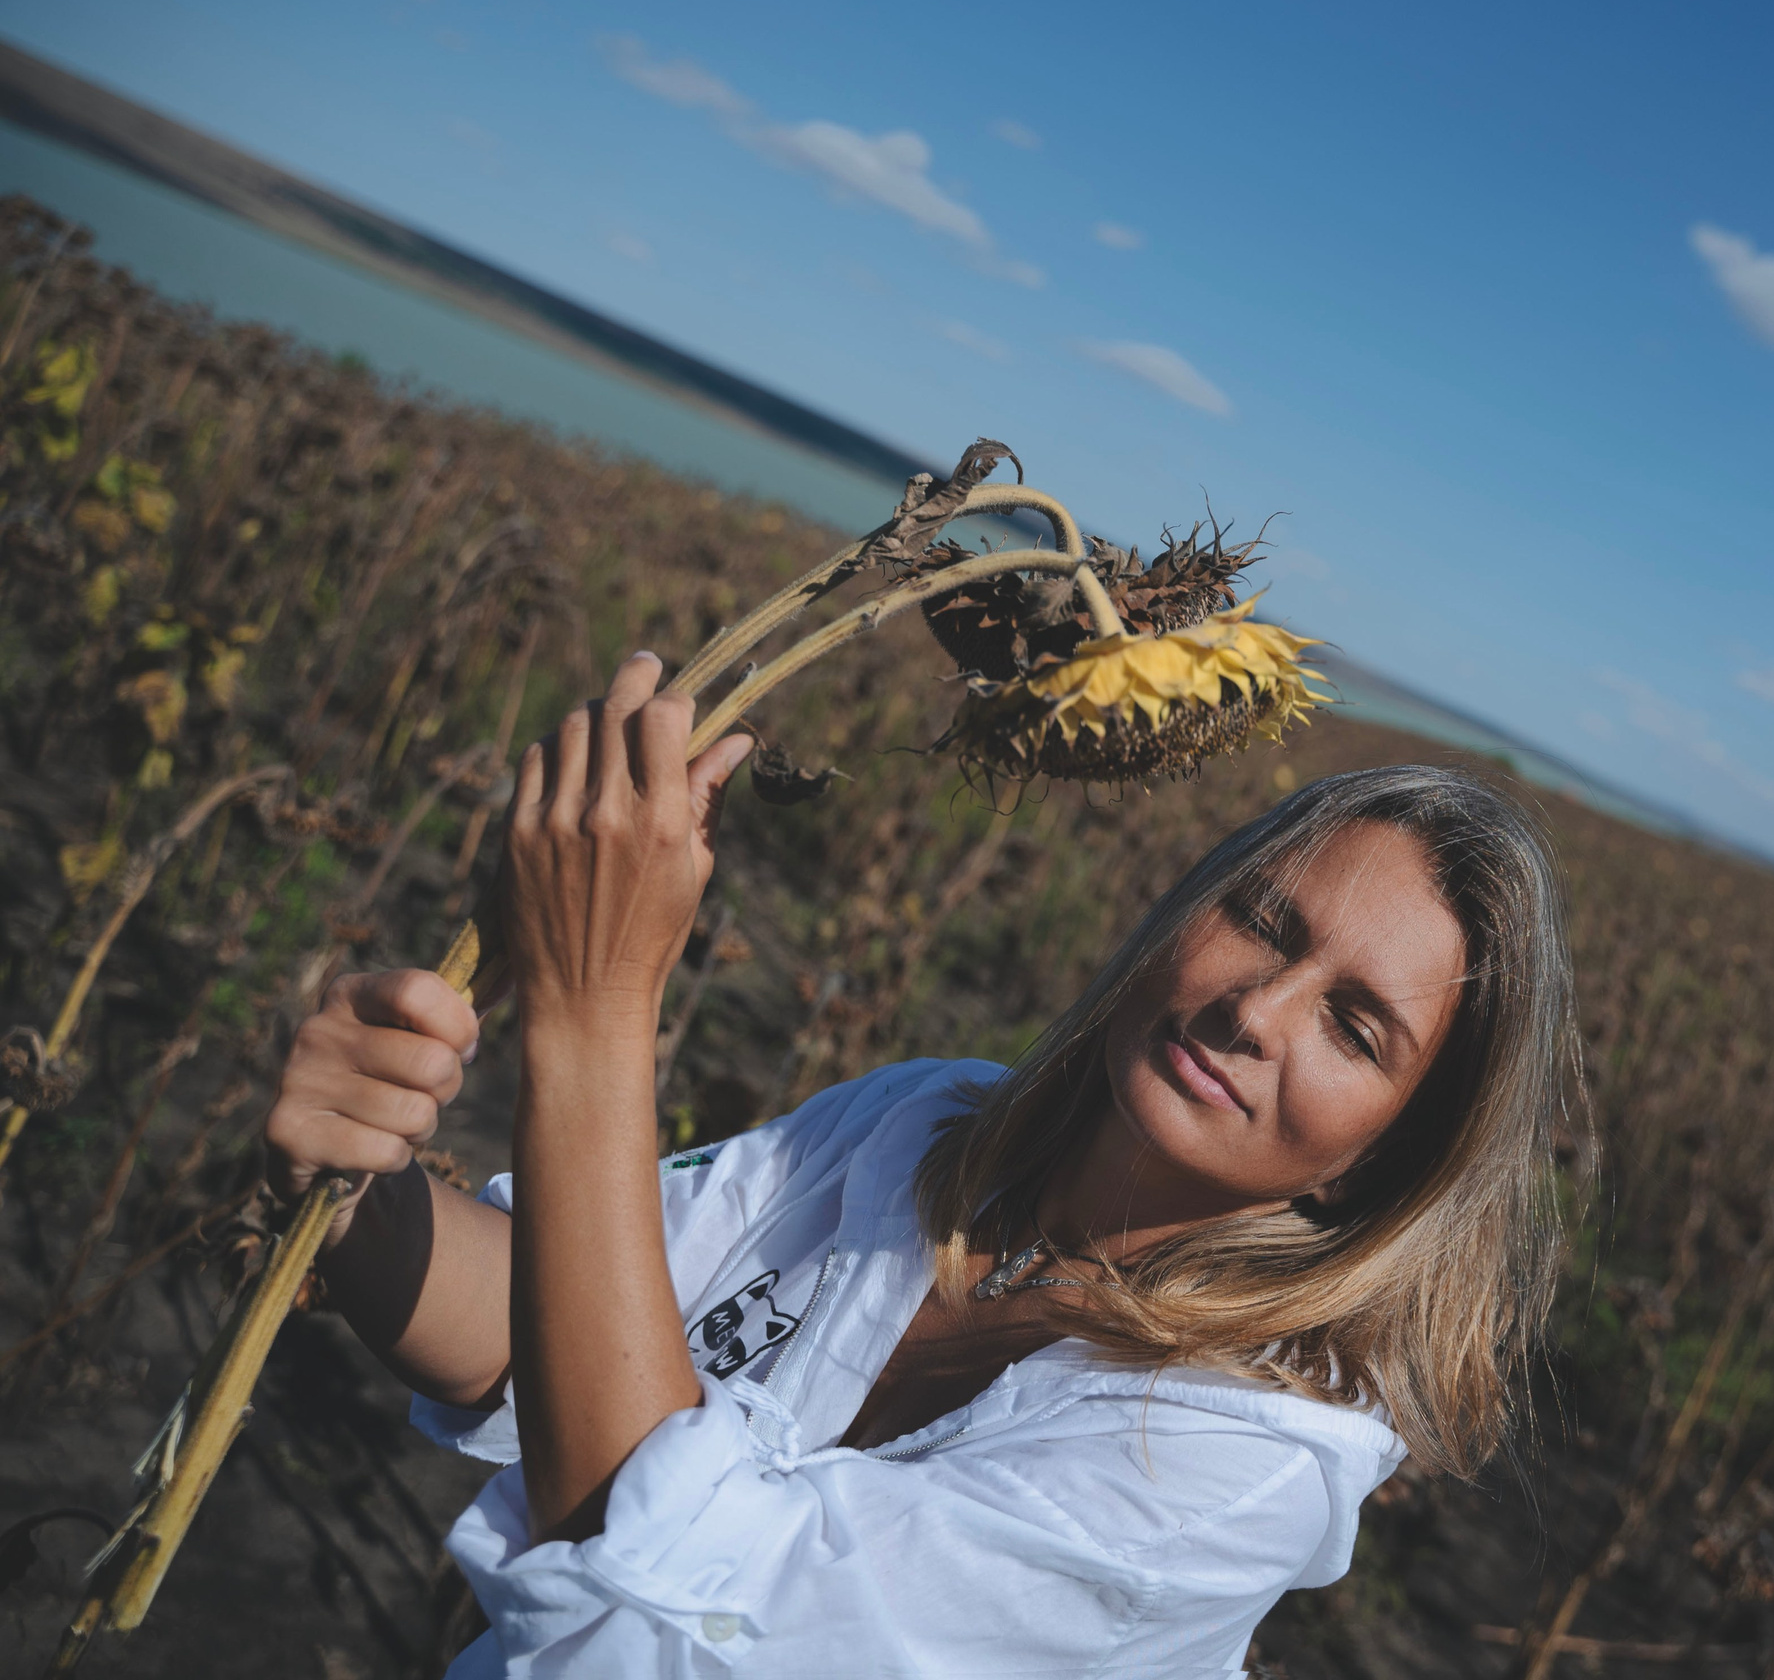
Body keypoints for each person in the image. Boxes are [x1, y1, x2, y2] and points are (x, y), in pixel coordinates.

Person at [264, 652, 1584, 1678]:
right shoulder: (927, 1125)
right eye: (1262, 919)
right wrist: (353, 1188)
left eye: (1355, 1027)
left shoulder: (1231, 1467)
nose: (1259, 1011)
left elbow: (665, 1624)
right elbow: (545, 1327)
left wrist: (592, 1015)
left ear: (1383, 1162)